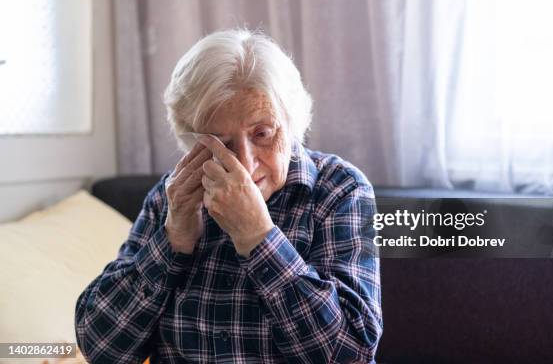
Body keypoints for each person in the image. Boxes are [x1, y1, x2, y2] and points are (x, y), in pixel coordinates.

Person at [75, 28, 383, 363]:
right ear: (193, 141)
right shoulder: (172, 197)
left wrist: (257, 237)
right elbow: (100, 348)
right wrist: (172, 240)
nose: (245, 164)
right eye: (220, 143)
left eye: (262, 133)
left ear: (291, 123)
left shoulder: (340, 190)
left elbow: (352, 352)